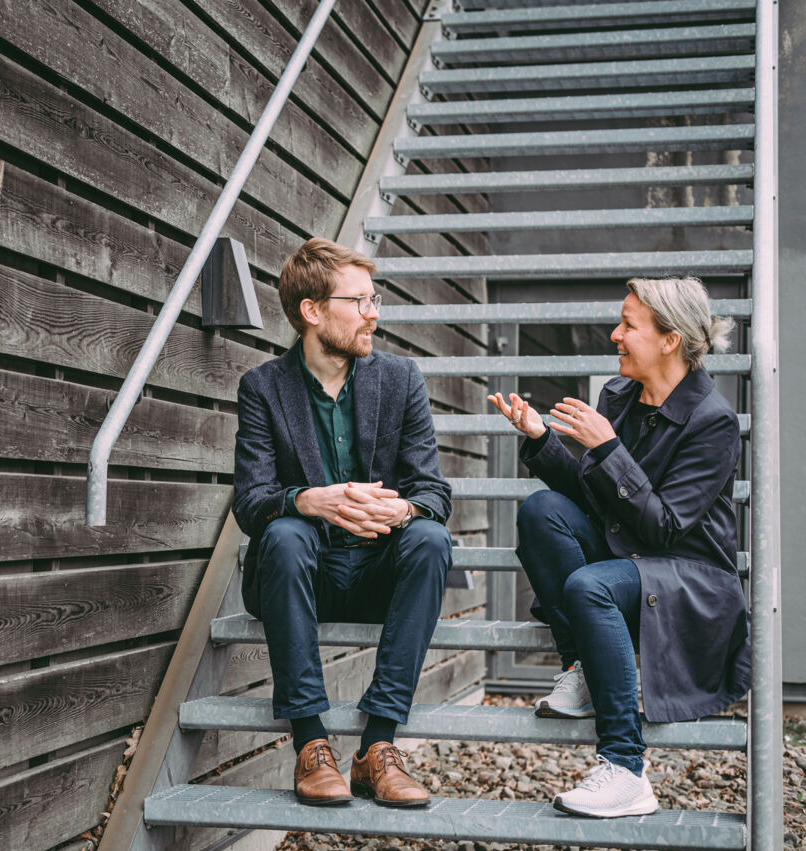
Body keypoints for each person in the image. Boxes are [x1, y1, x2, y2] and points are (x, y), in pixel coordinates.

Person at [487, 276, 751, 818]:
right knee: (540, 511)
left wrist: (607, 446)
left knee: (591, 586)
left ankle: (627, 769)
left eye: (628, 325)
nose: (615, 335)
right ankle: (583, 668)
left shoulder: (713, 421)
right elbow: (593, 498)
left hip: (687, 575)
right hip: (627, 553)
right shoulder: (620, 396)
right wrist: (541, 439)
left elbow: (664, 528)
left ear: (670, 340)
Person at [233, 237, 452, 808]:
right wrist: (308, 500)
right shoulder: (262, 388)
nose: (372, 313)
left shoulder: (400, 379)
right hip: (304, 577)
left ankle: (378, 747)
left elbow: (434, 491)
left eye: (373, 299)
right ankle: (311, 743)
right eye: (358, 301)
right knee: (283, 533)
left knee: (430, 537)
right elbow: (251, 502)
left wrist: (404, 509)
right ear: (312, 311)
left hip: (380, 573)